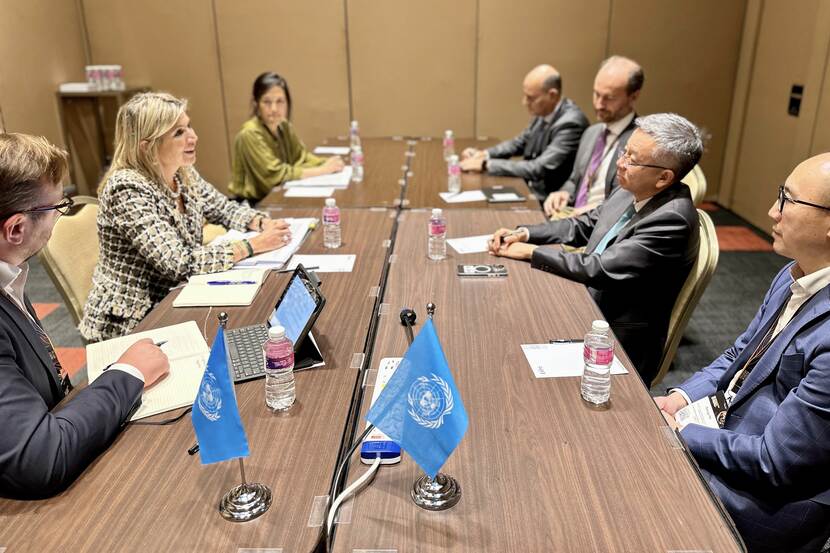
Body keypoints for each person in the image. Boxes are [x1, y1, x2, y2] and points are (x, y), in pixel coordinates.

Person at [655, 154, 830, 553]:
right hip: (727, 428)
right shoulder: (794, 273)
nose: (773, 211)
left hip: (770, 499)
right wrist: (681, 398)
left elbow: (775, 462)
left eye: (788, 200)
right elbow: (741, 352)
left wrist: (682, 432)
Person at [0, 133, 170, 499]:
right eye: (56, 208)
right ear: (15, 228)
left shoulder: (9, 272)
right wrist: (130, 373)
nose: (59, 217)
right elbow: (40, 458)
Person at [489, 113, 702, 385]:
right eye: (624, 151)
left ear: (663, 178)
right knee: (506, 316)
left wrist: (530, 252)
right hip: (587, 303)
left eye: (631, 159)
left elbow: (600, 267)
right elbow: (583, 225)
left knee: (510, 359)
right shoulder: (632, 187)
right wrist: (525, 233)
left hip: (615, 341)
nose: (619, 162)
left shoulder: (672, 219)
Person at [80, 92, 291, 342]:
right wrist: (251, 245)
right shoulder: (126, 189)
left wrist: (261, 222)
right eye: (179, 132)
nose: (193, 137)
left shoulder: (182, 172)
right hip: (134, 322)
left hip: (176, 297)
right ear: (147, 147)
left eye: (188, 126)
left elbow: (223, 208)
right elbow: (177, 263)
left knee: (251, 323)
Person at [459, 64, 588, 201]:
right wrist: (484, 154)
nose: (524, 102)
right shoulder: (545, 112)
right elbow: (519, 142)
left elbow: (539, 168)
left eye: (531, 98)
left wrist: (486, 164)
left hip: (550, 199)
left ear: (552, 95)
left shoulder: (571, 123)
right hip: (530, 188)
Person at [543, 56, 643, 218]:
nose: (599, 104)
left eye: (609, 98)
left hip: (601, 227)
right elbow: (575, 180)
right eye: (596, 94)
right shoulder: (591, 132)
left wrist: (590, 210)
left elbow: (629, 200)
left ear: (634, 96)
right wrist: (563, 193)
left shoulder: (640, 144)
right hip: (571, 219)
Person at [229, 72, 344, 203]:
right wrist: (323, 170)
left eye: (280, 102)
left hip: (278, 197)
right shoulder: (249, 134)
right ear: (256, 104)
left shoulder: (284, 126)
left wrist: (328, 163)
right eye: (267, 102)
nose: (274, 109)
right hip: (253, 205)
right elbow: (275, 176)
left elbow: (301, 157)